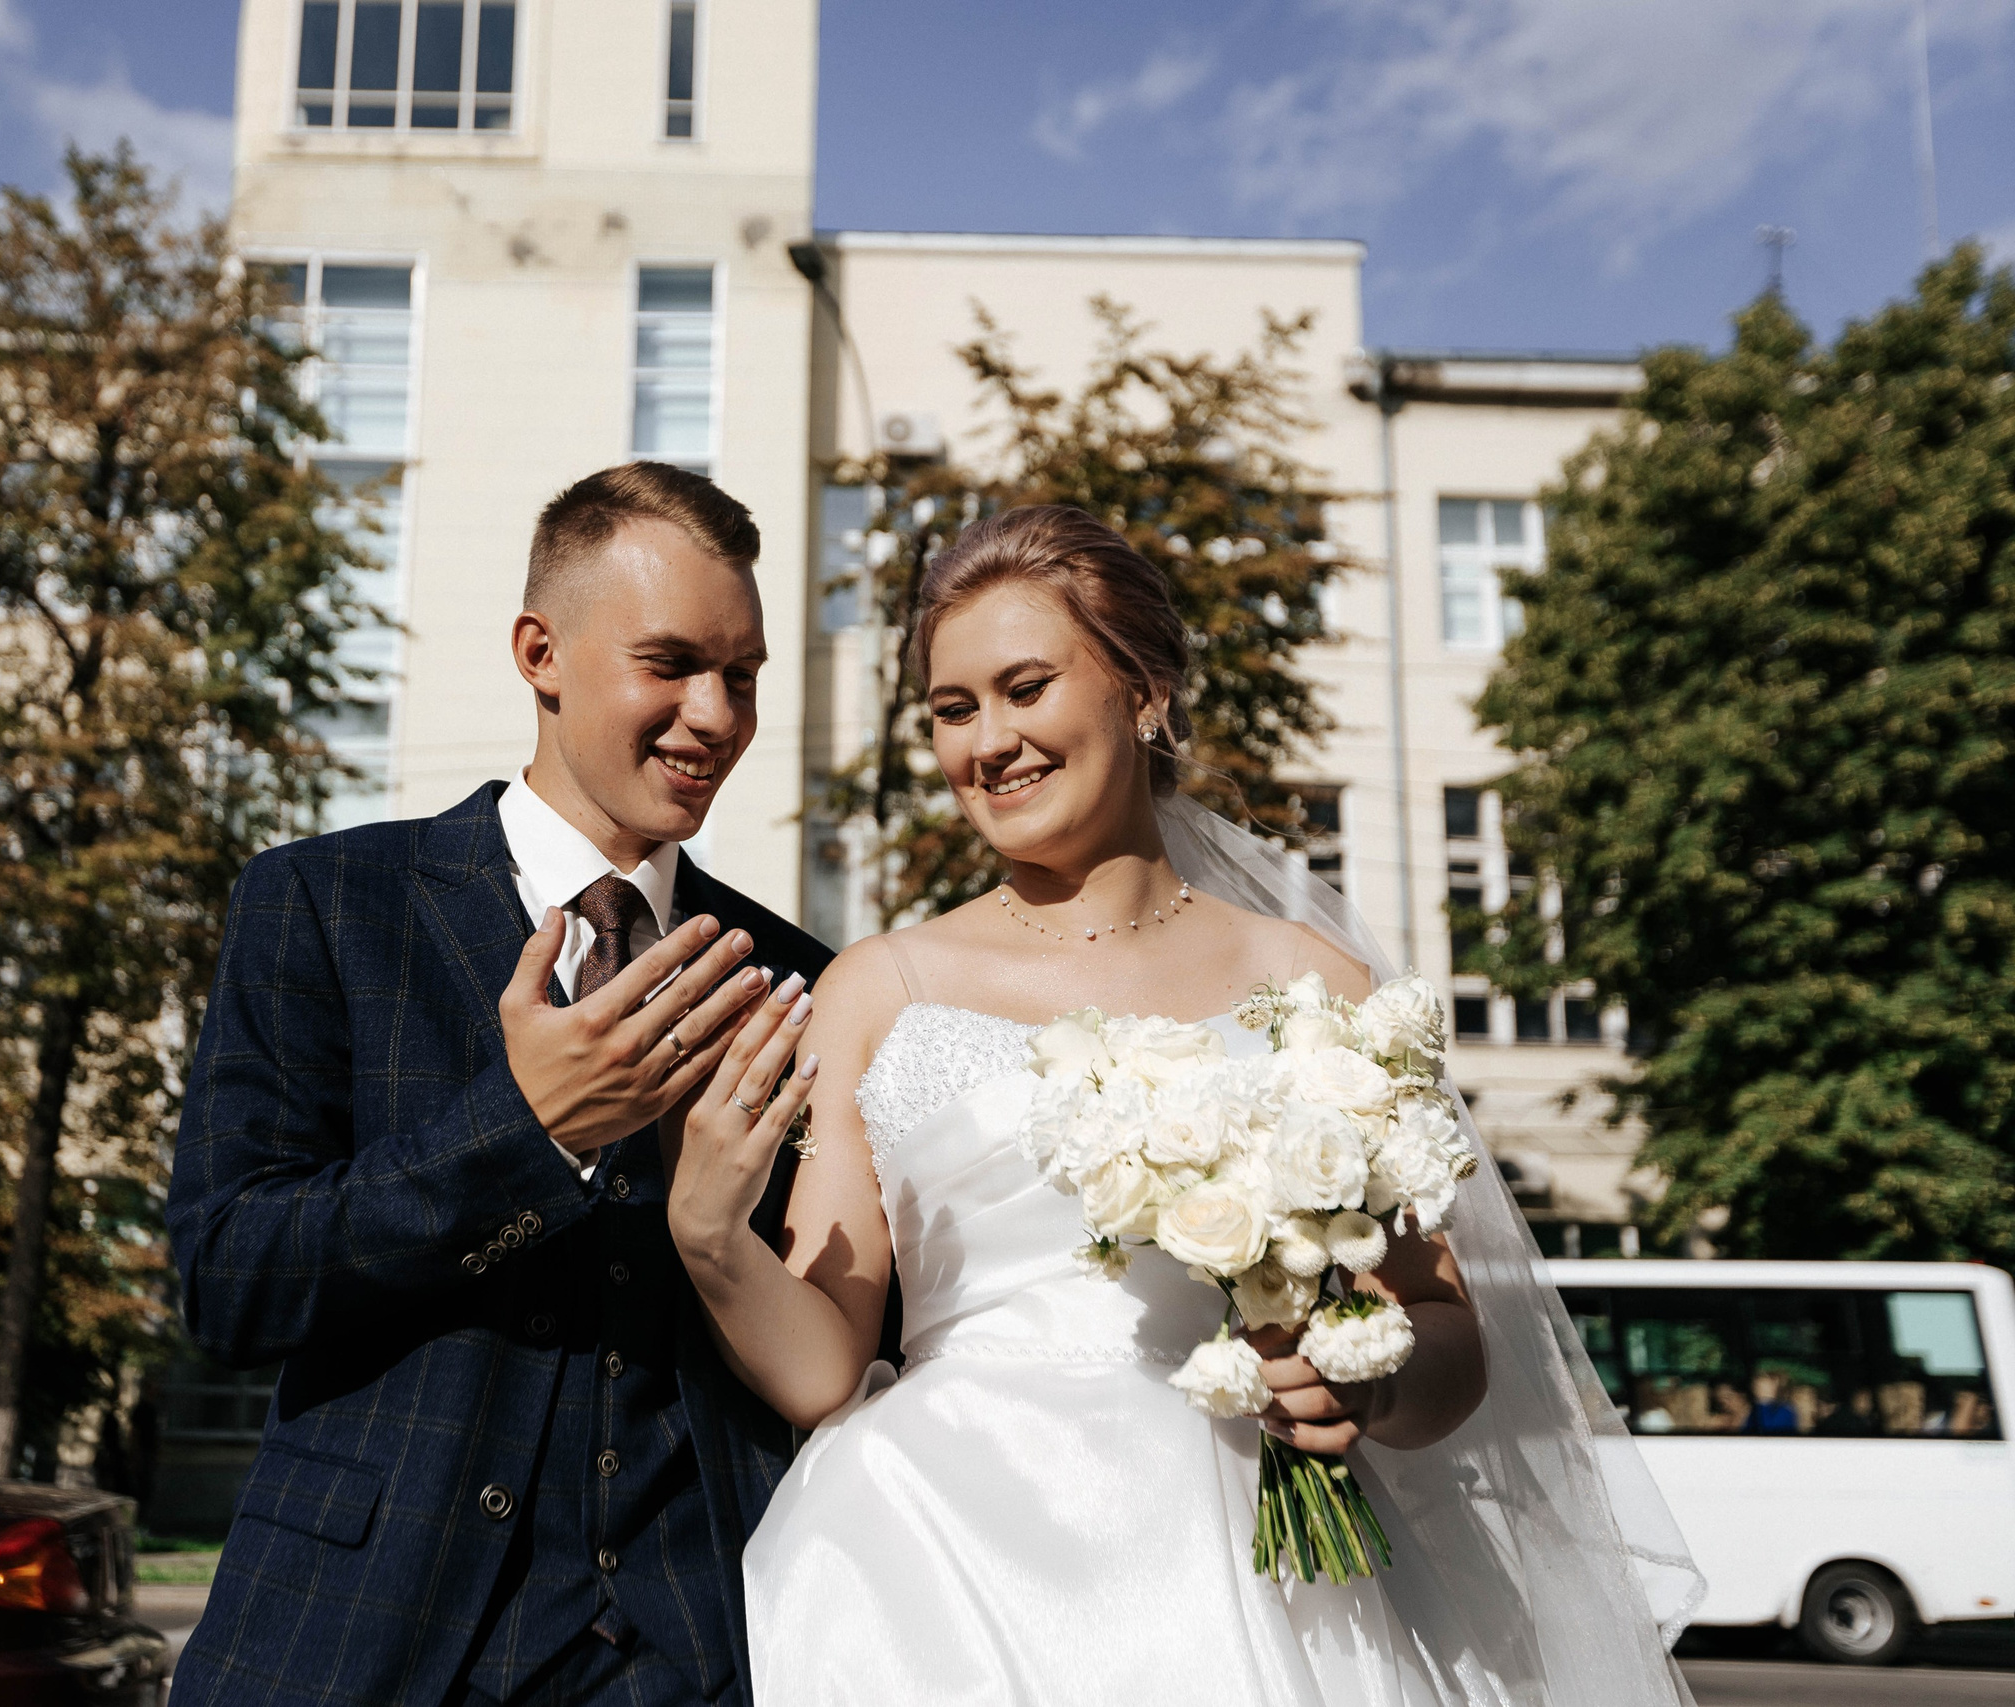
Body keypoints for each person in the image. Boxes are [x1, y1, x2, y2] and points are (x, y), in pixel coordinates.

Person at [670, 508, 1700, 1705]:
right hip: (943, 1559)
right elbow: (820, 1371)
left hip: (1266, 1578)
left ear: (1144, 692)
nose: (988, 743)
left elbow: (1443, 1326)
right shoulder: (877, 988)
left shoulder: (1315, 983)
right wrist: (707, 1238)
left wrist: (1369, 1379)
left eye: (1025, 688)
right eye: (954, 711)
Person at [166, 462, 833, 1707]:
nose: (716, 715)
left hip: (704, 1650)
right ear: (541, 652)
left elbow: (849, 1327)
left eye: (741, 677)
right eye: (671, 663)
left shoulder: (796, 978)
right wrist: (524, 1133)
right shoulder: (323, 905)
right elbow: (229, 1279)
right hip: (370, 1642)